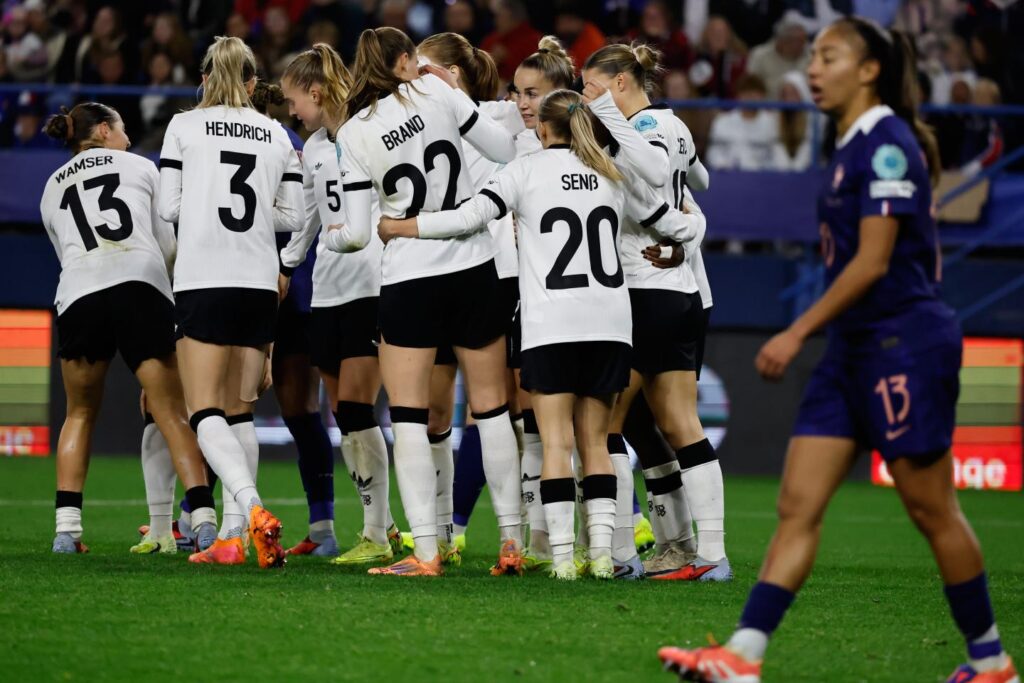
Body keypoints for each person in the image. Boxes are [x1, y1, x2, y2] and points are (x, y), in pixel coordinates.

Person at [659, 18, 1018, 683]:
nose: (815, 69)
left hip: (903, 343)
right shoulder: (850, 143)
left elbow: (874, 261)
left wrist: (797, 329)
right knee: (798, 504)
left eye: (830, 56)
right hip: (852, 350)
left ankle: (991, 658)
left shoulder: (886, 145)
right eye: (815, 56)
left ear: (869, 69)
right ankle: (742, 655)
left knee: (932, 508)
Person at [378, 89, 704, 580]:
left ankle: (564, 562)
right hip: (611, 324)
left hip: (552, 323)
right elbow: (674, 224)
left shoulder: (524, 172)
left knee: (554, 443)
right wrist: (684, 247)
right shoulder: (613, 173)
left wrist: (403, 227)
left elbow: (470, 218)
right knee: (596, 442)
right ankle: (600, 557)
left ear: (541, 130)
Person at [324, 27, 518, 577]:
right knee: (492, 408)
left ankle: (428, 553)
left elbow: (359, 235)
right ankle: (510, 542)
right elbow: (505, 150)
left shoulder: (356, 132)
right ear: (407, 60)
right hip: (475, 266)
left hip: (410, 277)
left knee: (408, 418)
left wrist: (334, 234)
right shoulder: (438, 93)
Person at [40, 102, 216, 555]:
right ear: (102, 130)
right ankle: (203, 521)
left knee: (78, 413)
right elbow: (168, 244)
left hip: (79, 292)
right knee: (170, 409)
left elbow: (66, 254)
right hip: (139, 283)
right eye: (121, 129)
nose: (128, 138)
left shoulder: (51, 187)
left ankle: (66, 530)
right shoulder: (141, 166)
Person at [583, 42, 728, 581]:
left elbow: (653, 180)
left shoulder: (636, 134)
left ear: (621, 82)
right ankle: (708, 555)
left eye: (593, 88)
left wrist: (676, 229)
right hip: (683, 291)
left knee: (607, 426)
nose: (586, 98)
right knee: (674, 423)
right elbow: (702, 182)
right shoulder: (676, 126)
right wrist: (688, 231)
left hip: (644, 294)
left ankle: (621, 555)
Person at [158, 36, 304, 569]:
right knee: (241, 415)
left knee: (204, 411)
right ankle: (233, 539)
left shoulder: (183, 126)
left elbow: (168, 204)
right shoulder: (277, 133)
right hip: (258, 279)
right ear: (250, 81)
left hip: (205, 275)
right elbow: (290, 217)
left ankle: (252, 509)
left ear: (205, 77)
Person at [278, 43, 404, 564]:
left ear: (315, 92)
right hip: (326, 289)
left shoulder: (371, 130)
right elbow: (310, 215)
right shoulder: (312, 146)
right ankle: (384, 527)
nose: (291, 112)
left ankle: (377, 531)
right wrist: (286, 265)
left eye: (293, 101)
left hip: (370, 282)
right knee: (342, 414)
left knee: (355, 407)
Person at [414, 33, 524, 566]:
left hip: (494, 272)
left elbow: (562, 107)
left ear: (454, 73)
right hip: (430, 272)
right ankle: (440, 532)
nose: (416, 77)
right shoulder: (411, 122)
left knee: (501, 408)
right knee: (435, 410)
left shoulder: (504, 115)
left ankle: (515, 534)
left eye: (427, 68)